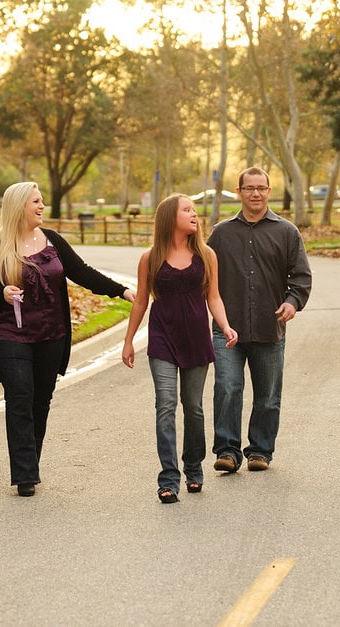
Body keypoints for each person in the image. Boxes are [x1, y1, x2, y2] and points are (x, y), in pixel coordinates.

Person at [0, 182, 135, 497]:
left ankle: (30, 462)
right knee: (19, 396)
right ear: (20, 206)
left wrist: (121, 290)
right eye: (36, 201)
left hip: (51, 335)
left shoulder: (52, 241)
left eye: (41, 201)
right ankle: (25, 475)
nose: (42, 206)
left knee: (39, 400)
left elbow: (82, 273)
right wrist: (1, 293)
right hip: (10, 335)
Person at [122, 194, 238, 503]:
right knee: (165, 405)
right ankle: (169, 478)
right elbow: (142, 300)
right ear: (169, 217)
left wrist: (225, 325)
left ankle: (193, 468)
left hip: (196, 338)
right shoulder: (150, 257)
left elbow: (213, 296)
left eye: (194, 210)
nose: (194, 214)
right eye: (187, 209)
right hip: (162, 338)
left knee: (194, 407)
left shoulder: (206, 254)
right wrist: (129, 339)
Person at [208, 167, 312, 474]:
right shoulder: (222, 234)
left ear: (269, 192)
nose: (256, 193)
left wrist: (292, 302)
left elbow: (301, 277)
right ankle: (227, 450)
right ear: (239, 192)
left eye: (262, 188)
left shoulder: (287, 232)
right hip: (228, 328)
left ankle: (260, 451)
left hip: (270, 329)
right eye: (249, 188)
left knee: (267, 395)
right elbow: (204, 277)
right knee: (227, 387)